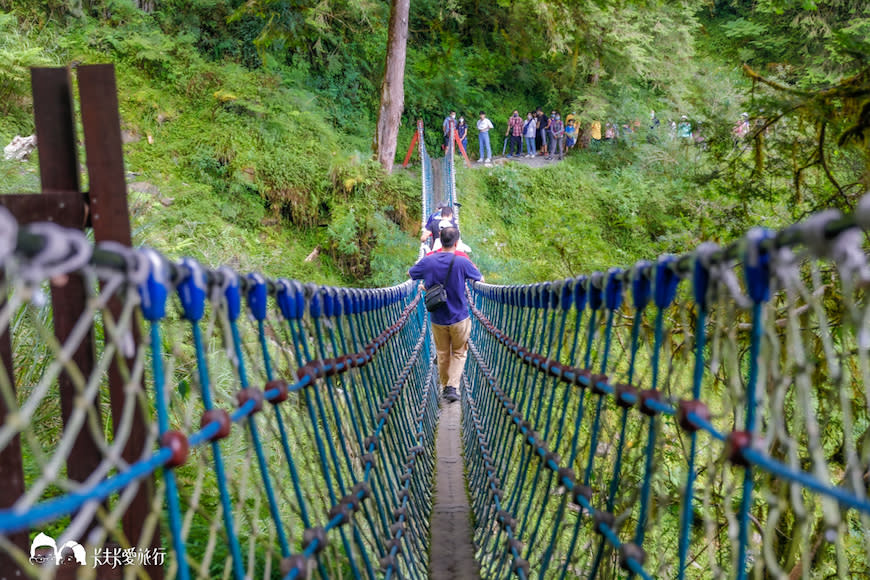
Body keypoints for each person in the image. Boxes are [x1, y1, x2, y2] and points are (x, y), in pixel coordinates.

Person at [409, 226, 483, 403]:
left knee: (442, 353)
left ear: (439, 241)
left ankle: (444, 388)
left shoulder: (429, 260)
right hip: (459, 317)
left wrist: (426, 286)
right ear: (457, 243)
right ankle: (452, 387)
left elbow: (411, 274)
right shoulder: (462, 261)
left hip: (438, 318)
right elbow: (480, 279)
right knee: (459, 352)